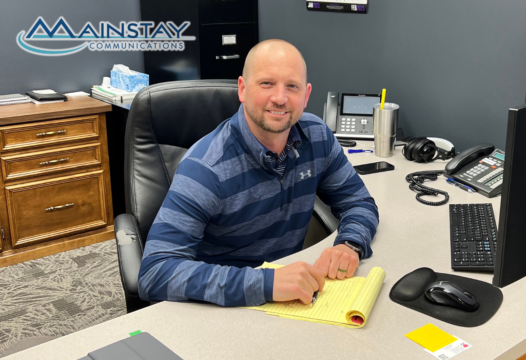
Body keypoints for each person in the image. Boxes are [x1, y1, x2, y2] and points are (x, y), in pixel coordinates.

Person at [138, 39, 379, 307]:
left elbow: (359, 203)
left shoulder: (318, 138)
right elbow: (155, 273)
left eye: (292, 86)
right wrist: (266, 283)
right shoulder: (206, 167)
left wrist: (350, 245)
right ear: (242, 89)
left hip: (292, 300)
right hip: (222, 307)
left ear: (307, 95)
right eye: (267, 83)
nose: (280, 98)